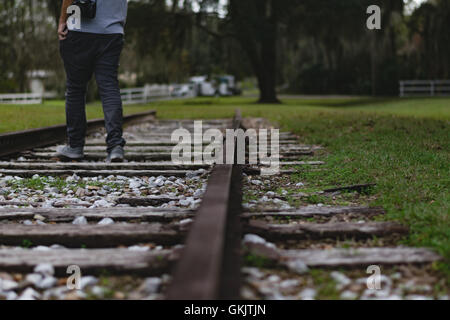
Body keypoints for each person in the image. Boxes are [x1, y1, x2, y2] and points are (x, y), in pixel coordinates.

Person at [56, 0, 128, 162]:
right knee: (109, 88)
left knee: (75, 89)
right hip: (112, 31)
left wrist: (62, 20)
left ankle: (75, 146)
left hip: (79, 29)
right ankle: (115, 146)